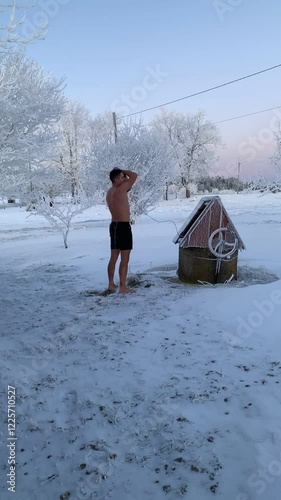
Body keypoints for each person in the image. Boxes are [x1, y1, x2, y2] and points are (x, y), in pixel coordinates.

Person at [106, 168, 138, 294]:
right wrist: (122, 170)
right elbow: (134, 175)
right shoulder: (121, 188)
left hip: (113, 226)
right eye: (122, 177)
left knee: (113, 257)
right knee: (125, 258)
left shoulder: (110, 192)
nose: (125, 179)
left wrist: (120, 173)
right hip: (123, 227)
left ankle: (111, 284)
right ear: (116, 180)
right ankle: (123, 287)